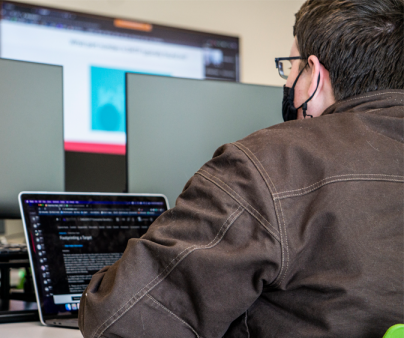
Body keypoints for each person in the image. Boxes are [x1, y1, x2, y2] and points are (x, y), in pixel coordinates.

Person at [79, 0, 404, 336]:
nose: (288, 80)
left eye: (290, 67)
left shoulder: (270, 164)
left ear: (315, 74)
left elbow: (122, 322)